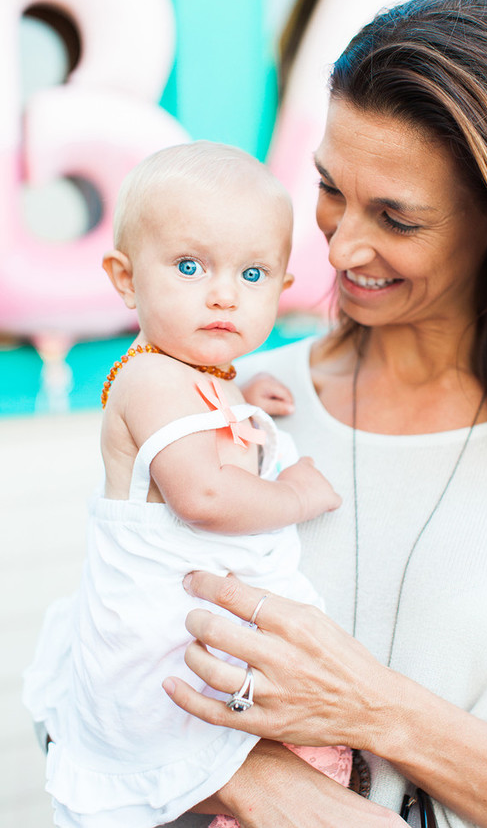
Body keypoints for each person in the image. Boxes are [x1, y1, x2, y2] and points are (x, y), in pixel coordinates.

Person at [159, 0, 487, 828]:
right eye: (329, 187)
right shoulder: (222, 400)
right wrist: (249, 782)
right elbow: (86, 685)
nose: (341, 245)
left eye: (397, 216)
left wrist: (368, 706)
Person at [22, 141, 352, 828]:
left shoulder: (197, 380)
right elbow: (202, 495)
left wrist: (245, 403)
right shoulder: (148, 378)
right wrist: (295, 493)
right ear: (124, 279)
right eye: (190, 265)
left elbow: (204, 425)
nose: (224, 292)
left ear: (283, 287)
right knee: (310, 760)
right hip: (156, 664)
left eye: (254, 272)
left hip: (193, 650)